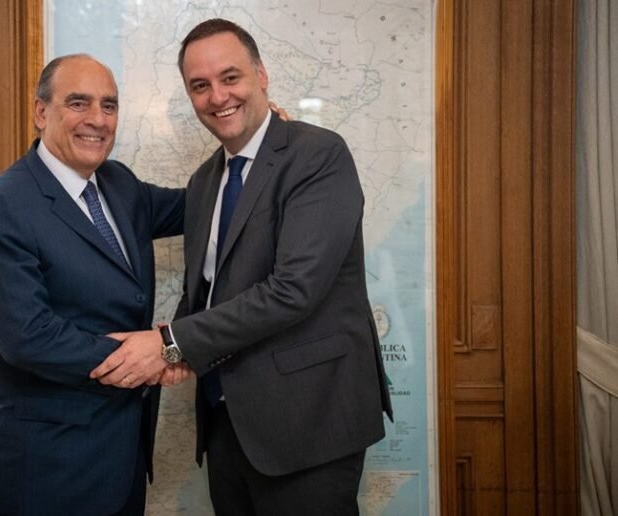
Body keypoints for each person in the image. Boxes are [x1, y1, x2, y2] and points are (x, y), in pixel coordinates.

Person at [91, 19, 393, 515]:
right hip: (226, 424)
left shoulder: (318, 155)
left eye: (230, 77)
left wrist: (168, 343)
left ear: (262, 75)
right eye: (200, 85)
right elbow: (207, 290)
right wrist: (176, 351)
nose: (217, 96)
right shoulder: (205, 181)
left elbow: (293, 290)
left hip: (308, 427)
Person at [0, 54, 185, 515]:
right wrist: (149, 355)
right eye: (78, 103)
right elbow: (29, 337)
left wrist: (257, 142)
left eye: (109, 105)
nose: (97, 120)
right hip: (47, 471)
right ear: (41, 112)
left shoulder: (119, 185)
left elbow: (198, 205)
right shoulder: (0, 208)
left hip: (121, 460)